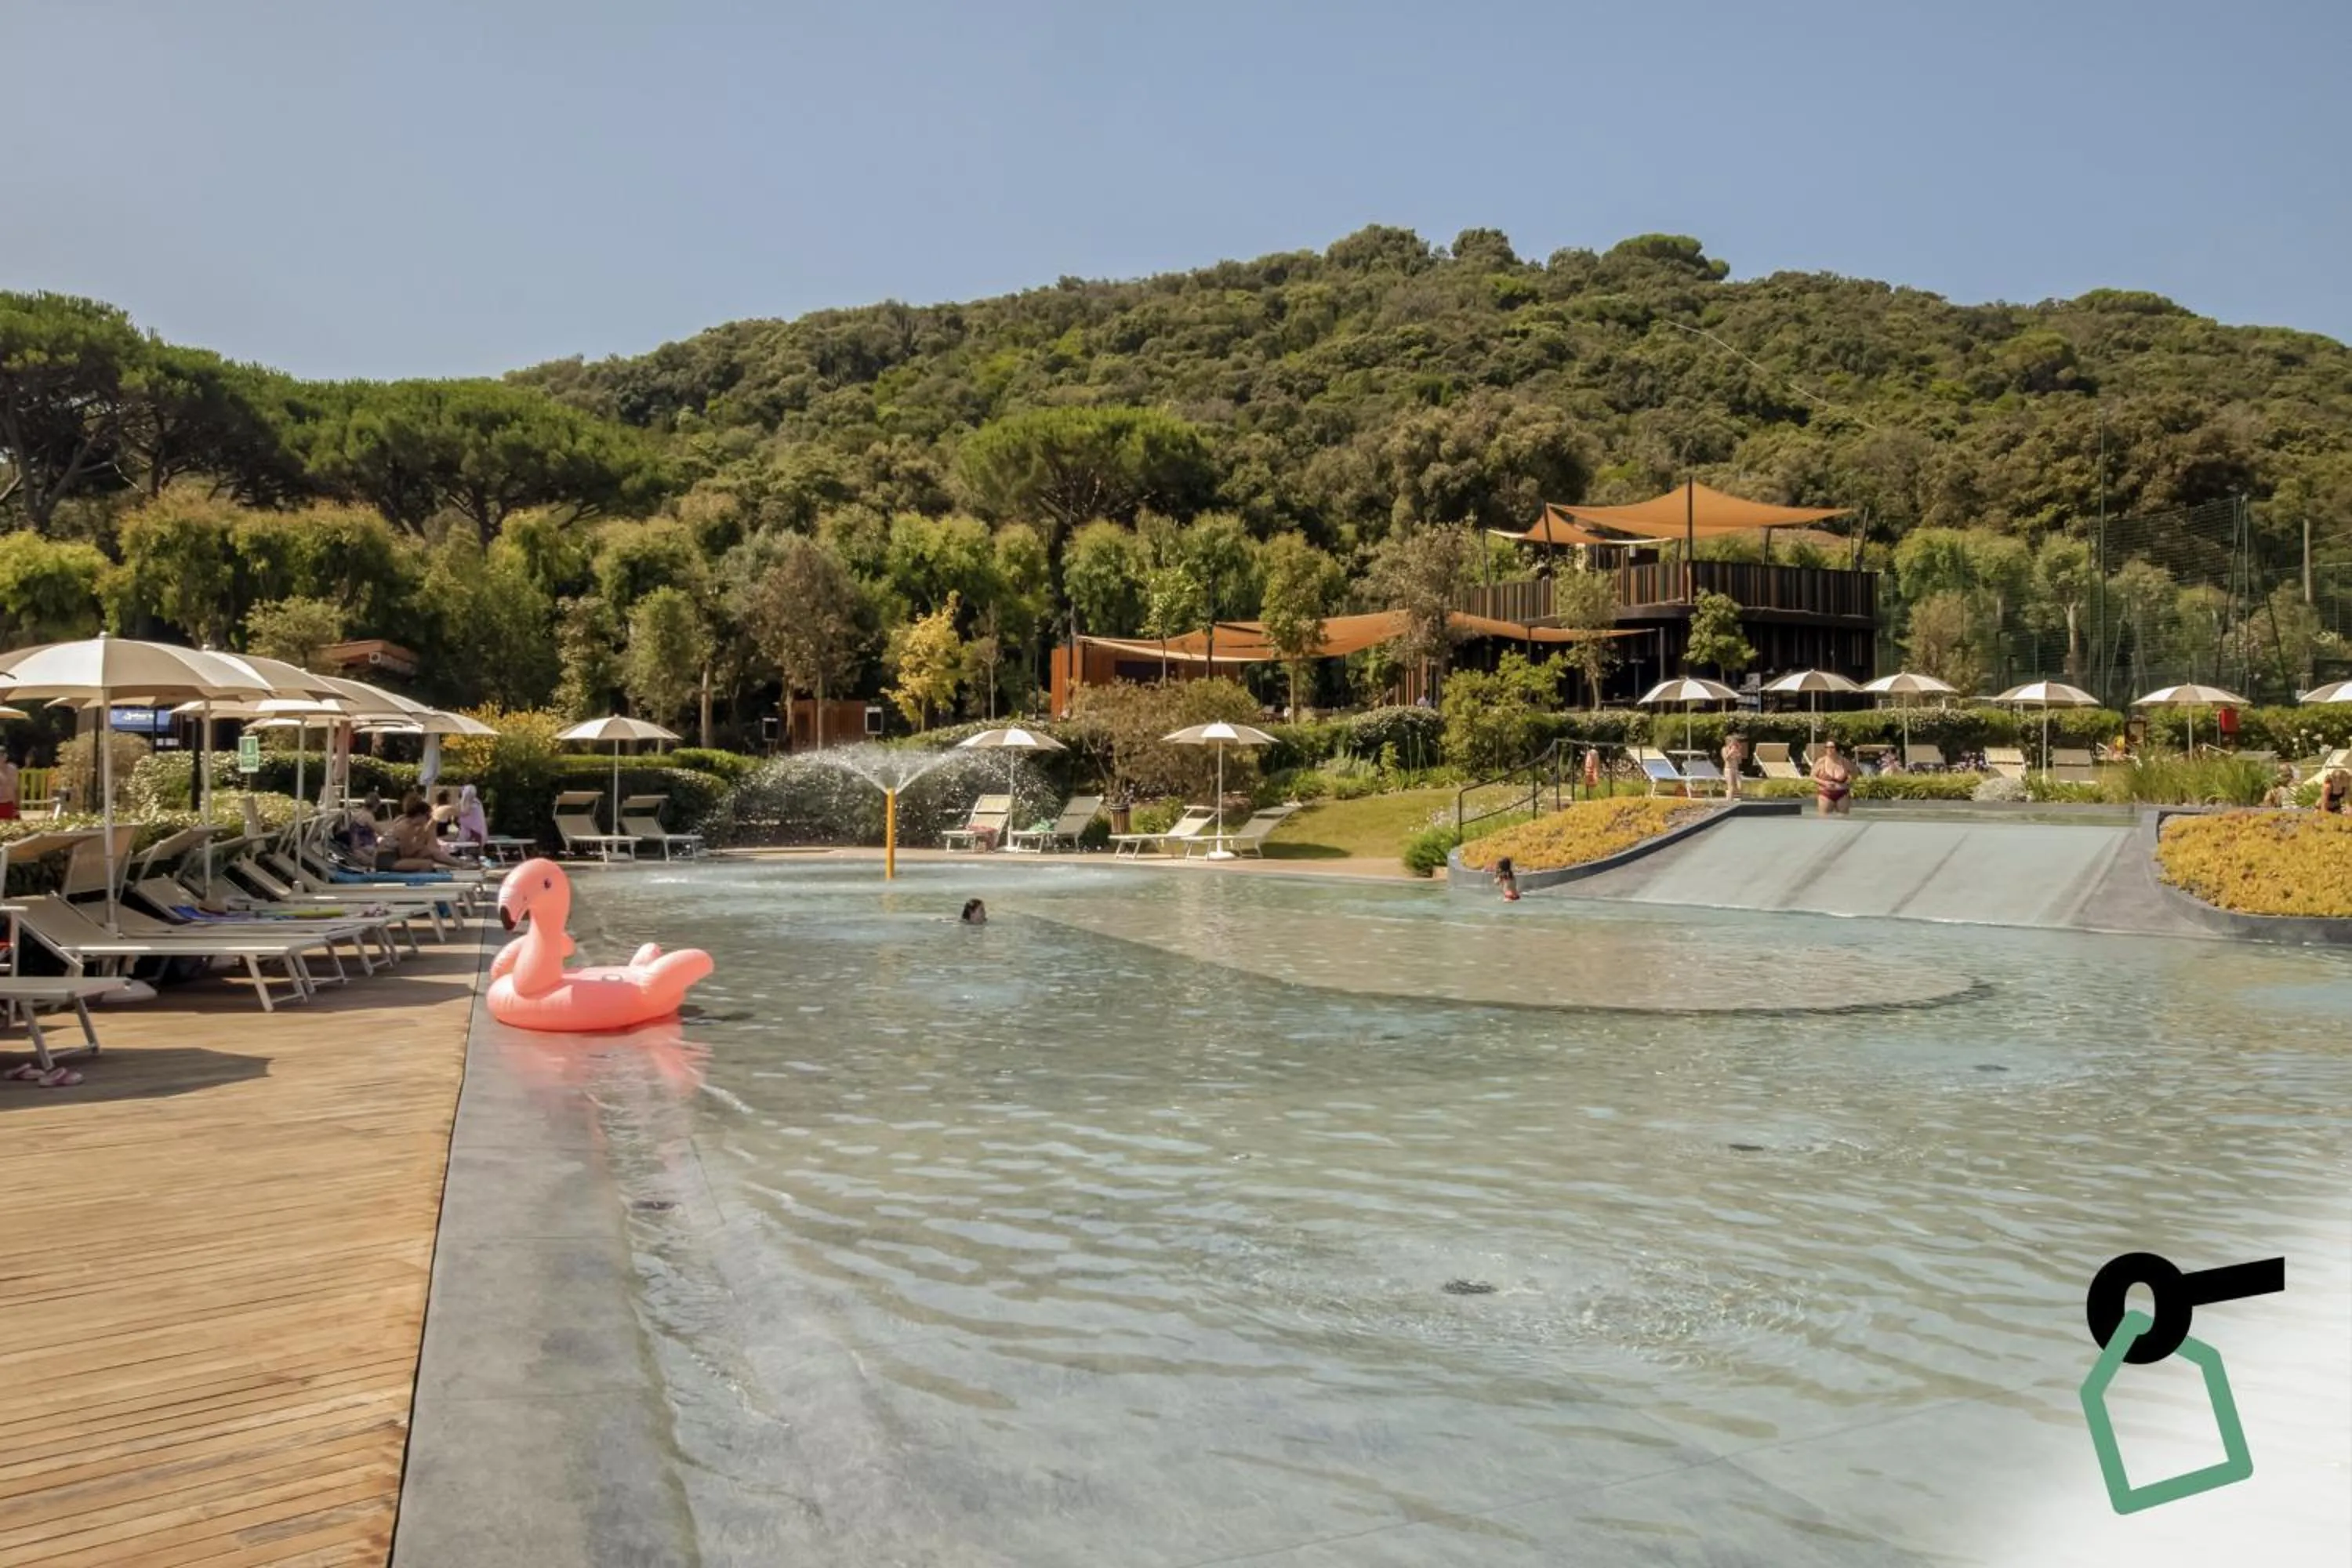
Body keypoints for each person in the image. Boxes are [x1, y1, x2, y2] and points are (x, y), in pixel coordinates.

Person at [384, 797, 466, 871]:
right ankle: (417, 886)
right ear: (420, 815)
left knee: (429, 854)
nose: (428, 820)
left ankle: (461, 864)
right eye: (427, 816)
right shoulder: (406, 828)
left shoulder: (406, 822)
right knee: (427, 864)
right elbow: (405, 853)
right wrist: (422, 849)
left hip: (391, 858)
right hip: (388, 860)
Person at [1813, 740, 1854, 817]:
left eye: (1832, 747)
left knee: (1844, 819)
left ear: (1836, 748)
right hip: (1825, 793)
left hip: (1842, 793)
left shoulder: (1844, 761)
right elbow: (1813, 776)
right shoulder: (1821, 761)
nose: (1829, 749)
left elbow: (1854, 773)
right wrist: (1824, 783)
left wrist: (1849, 780)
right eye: (1827, 747)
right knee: (1824, 819)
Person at [454, 783, 489, 847]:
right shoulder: (476, 802)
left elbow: (464, 816)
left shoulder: (474, 804)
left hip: (475, 833)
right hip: (474, 833)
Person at [1719, 732, 1744, 799]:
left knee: (1740, 785)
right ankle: (1729, 800)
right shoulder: (1724, 749)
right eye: (1733, 742)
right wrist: (1731, 752)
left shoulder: (1736, 750)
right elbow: (1726, 759)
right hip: (1728, 769)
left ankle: (1734, 797)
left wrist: (1738, 754)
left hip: (1735, 769)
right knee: (1731, 787)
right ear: (1728, 742)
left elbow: (1739, 761)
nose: (1734, 744)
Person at [0, 748, 17, 822]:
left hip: (10, 804)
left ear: (6, 756)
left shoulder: (12, 769)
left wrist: (17, 806)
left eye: (2, 755)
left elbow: (16, 788)